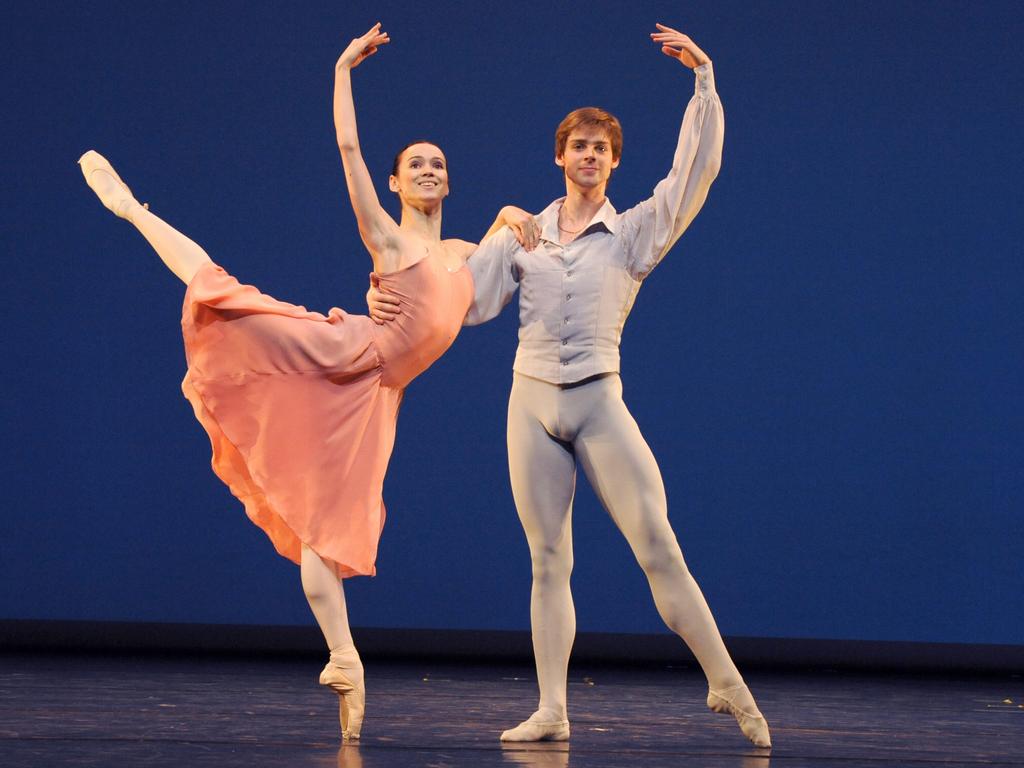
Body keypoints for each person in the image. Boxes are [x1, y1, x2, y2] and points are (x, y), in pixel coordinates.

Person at [78, 23, 537, 742]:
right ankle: (132, 208)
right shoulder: (389, 238)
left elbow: (494, 265)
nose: (427, 170)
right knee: (224, 294)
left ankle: (344, 660)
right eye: (414, 163)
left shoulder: (460, 251)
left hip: (378, 398)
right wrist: (342, 71)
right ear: (394, 182)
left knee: (327, 529)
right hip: (343, 353)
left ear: (448, 180)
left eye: (437, 163)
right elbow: (349, 150)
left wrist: (511, 214)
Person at [369, 23, 770, 748]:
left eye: (602, 148)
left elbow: (692, 179)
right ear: (560, 157)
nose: (589, 155)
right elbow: (460, 297)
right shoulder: (526, 231)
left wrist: (704, 82)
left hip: (596, 399)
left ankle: (724, 680)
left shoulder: (635, 232)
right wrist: (387, 294)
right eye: (579, 146)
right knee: (548, 559)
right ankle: (553, 709)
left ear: (614, 163)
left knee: (658, 546)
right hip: (530, 404)